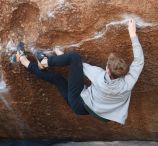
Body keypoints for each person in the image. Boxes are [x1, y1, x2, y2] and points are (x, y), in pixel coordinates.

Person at [15, 19, 144, 124]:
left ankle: (44, 62)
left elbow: (77, 65)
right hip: (86, 110)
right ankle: (23, 60)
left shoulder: (99, 77)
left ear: (107, 69)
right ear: (123, 74)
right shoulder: (128, 83)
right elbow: (139, 62)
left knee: (74, 57)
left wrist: (132, 33)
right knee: (56, 78)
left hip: (78, 101)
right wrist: (133, 34)